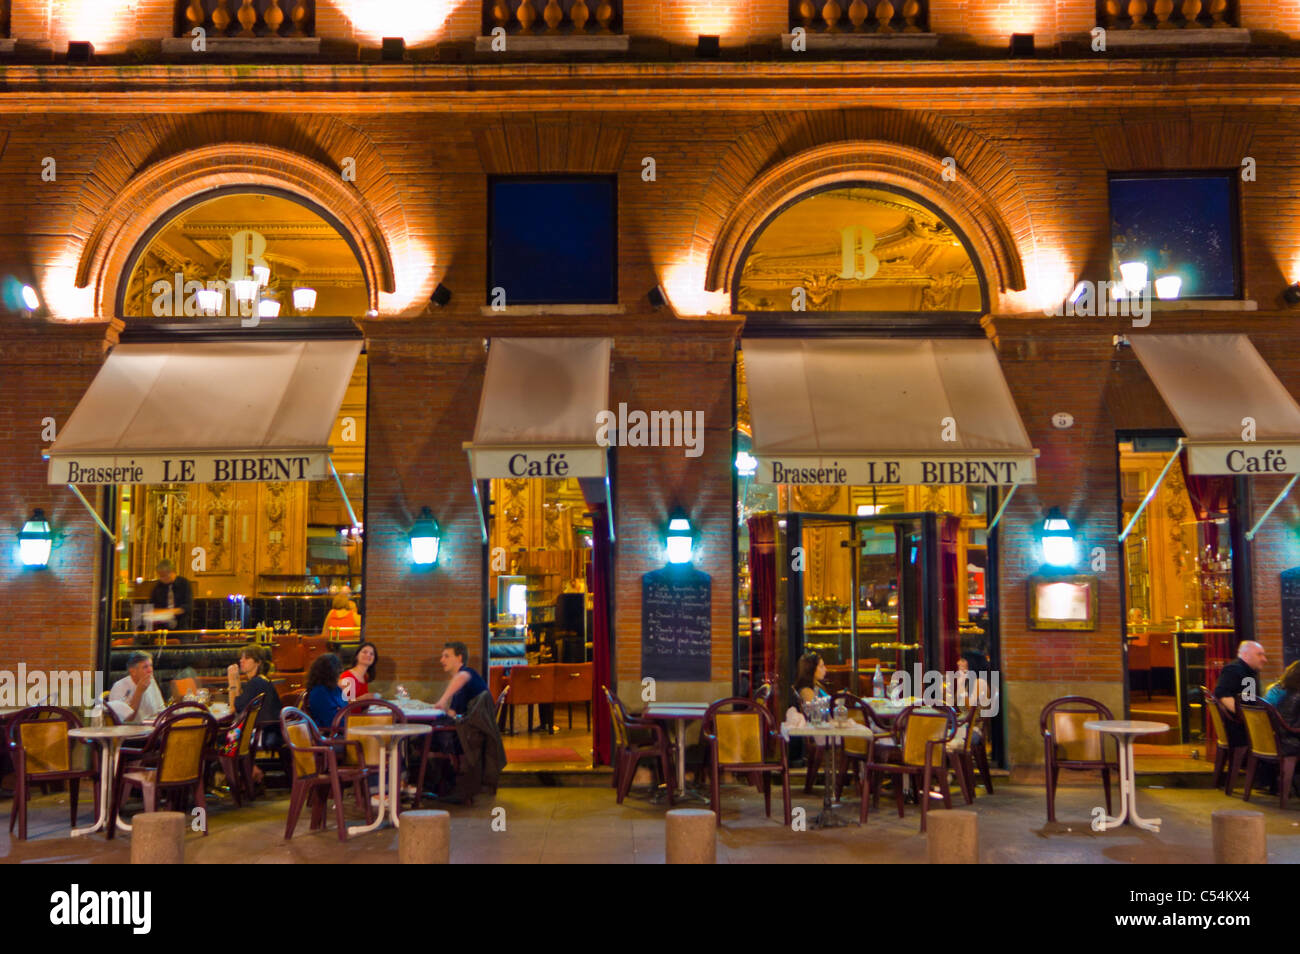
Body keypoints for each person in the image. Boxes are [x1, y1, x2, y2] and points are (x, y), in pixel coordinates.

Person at [1215, 640, 1267, 747]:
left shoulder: (1248, 672)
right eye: (1259, 654)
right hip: (1240, 732)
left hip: (1247, 728)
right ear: (1245, 655)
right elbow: (1222, 694)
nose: (1264, 659)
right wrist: (1246, 717)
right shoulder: (1234, 670)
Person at [432, 641, 489, 717]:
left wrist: (442, 700)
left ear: (459, 658)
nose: (441, 660)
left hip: (474, 727)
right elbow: (453, 714)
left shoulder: (468, 672)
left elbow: (462, 676)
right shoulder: (459, 684)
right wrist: (442, 710)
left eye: (446, 656)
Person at [107, 651, 166, 724]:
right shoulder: (119, 687)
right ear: (133, 671)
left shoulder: (151, 682)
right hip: (131, 732)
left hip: (153, 728)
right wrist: (139, 691)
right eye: (145, 667)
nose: (150, 670)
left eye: (151, 665)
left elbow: (161, 710)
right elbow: (127, 719)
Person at [148, 559, 194, 631]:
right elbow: (152, 607)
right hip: (162, 628)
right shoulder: (157, 587)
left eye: (164, 576)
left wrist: (170, 612)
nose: (162, 578)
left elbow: (188, 606)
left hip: (181, 627)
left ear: (172, 572)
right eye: (160, 576)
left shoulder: (184, 584)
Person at [304, 654, 347, 729]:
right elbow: (332, 721)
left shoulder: (336, 689)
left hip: (343, 729)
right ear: (330, 673)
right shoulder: (319, 692)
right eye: (338, 672)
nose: (340, 675)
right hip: (331, 735)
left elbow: (346, 710)